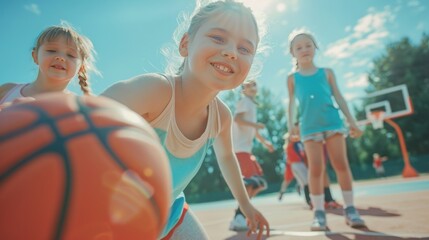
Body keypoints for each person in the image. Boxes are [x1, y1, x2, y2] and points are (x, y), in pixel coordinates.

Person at [101, 1, 269, 239]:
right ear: (185, 44)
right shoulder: (155, 91)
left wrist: (246, 204)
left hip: (169, 213)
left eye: (244, 49)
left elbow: (227, 158)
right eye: (219, 38)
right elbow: (81, 118)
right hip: (110, 218)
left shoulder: (221, 117)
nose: (232, 51)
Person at [287, 29, 366, 231]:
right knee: (316, 169)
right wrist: (291, 126)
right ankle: (319, 213)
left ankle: (350, 209)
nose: (304, 49)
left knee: (341, 164)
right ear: (292, 53)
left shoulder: (327, 72)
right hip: (309, 128)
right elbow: (291, 105)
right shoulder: (292, 78)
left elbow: (339, 97)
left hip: (333, 124)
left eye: (308, 45)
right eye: (299, 47)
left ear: (315, 48)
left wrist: (352, 121)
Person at [0, 23, 98, 104]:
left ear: (81, 67)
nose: (60, 57)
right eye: (51, 50)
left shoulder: (77, 106)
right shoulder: (7, 90)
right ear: (35, 56)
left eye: (71, 55)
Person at [229, 80, 274, 231]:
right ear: (243, 90)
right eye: (248, 85)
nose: (252, 87)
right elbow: (237, 119)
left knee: (258, 183)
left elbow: (253, 132)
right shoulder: (244, 102)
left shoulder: (251, 105)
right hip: (240, 150)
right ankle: (239, 217)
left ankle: (241, 214)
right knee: (250, 183)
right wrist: (256, 125)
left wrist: (265, 142)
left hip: (246, 151)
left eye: (254, 84)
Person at [279, 131, 342, 210]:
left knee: (304, 182)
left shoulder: (292, 145)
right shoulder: (293, 144)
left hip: (296, 165)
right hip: (297, 164)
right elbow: (300, 154)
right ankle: (311, 201)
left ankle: (310, 200)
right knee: (307, 182)